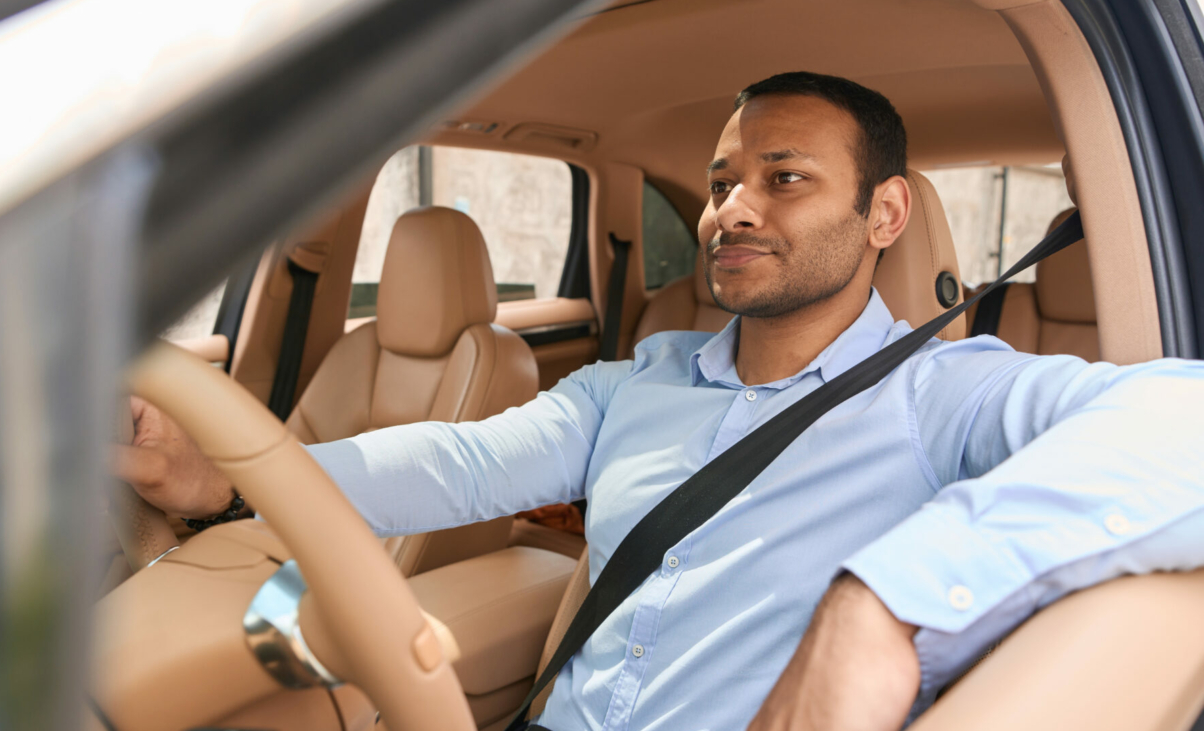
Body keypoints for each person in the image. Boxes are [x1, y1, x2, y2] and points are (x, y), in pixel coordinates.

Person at [115, 72, 1204, 731]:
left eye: (783, 177)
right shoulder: (636, 380)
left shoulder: (949, 396)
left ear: (885, 214)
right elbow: (451, 464)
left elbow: (1184, 423)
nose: (731, 208)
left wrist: (881, 600)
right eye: (725, 179)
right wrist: (220, 473)